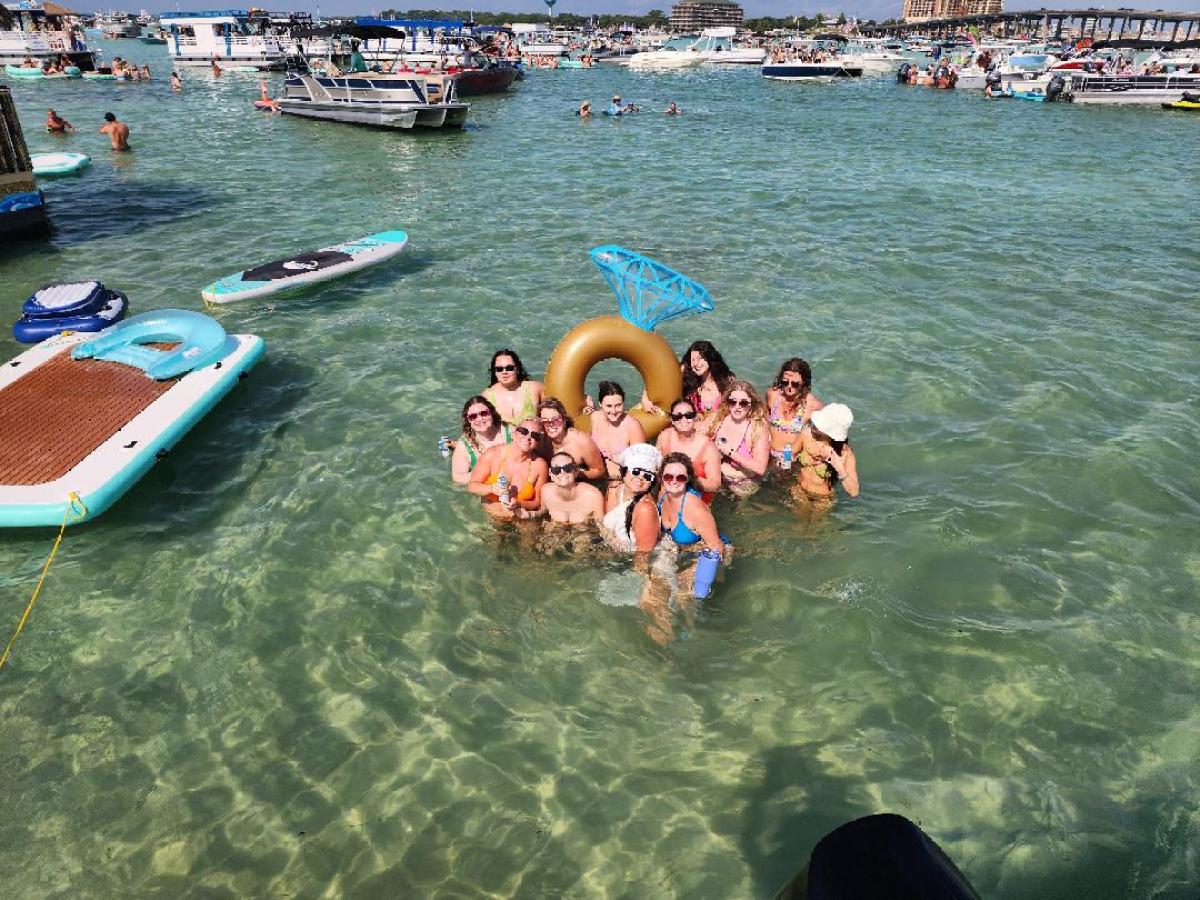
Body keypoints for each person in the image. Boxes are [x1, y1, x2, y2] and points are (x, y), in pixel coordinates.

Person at [657, 452, 726, 600]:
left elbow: (716, 546)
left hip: (705, 552)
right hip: (681, 549)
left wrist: (703, 577)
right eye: (668, 476)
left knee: (683, 595)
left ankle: (690, 623)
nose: (673, 481)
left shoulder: (696, 509)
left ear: (688, 479)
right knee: (655, 591)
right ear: (661, 477)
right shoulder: (663, 495)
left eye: (680, 477)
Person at [468, 415, 549, 520]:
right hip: (492, 519)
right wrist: (492, 488)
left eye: (535, 435)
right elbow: (472, 486)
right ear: (514, 434)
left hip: (520, 519)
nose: (528, 437)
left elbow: (538, 502)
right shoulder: (493, 454)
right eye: (524, 431)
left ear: (538, 442)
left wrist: (518, 503)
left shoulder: (539, 465)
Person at [712, 381, 771, 498]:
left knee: (738, 513)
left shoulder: (757, 428)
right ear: (727, 403)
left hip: (743, 485)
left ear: (751, 404)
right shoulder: (719, 419)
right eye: (733, 402)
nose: (737, 407)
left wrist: (730, 452)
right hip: (719, 479)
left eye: (743, 403)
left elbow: (760, 468)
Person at [791, 403, 859, 502]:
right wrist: (786, 465)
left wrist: (839, 468)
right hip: (799, 489)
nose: (814, 423)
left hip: (824, 499)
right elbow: (789, 451)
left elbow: (854, 492)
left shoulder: (845, 453)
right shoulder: (806, 434)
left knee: (818, 518)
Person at [655, 397, 721, 500]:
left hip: (694, 502)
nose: (684, 420)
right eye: (678, 416)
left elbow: (715, 485)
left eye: (688, 415)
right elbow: (656, 466)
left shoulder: (708, 448)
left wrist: (687, 478)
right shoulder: (664, 436)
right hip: (666, 498)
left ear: (695, 417)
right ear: (672, 420)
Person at [587, 381, 647, 494]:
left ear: (623, 403)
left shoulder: (632, 426)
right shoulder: (595, 417)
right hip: (596, 480)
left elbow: (641, 466)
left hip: (620, 483)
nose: (614, 411)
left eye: (618, 405)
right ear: (600, 404)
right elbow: (587, 446)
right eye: (609, 406)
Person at [601, 443, 661, 554]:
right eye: (636, 471)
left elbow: (643, 554)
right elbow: (607, 526)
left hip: (644, 559)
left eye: (647, 476)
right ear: (624, 473)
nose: (640, 478)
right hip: (616, 551)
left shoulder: (645, 509)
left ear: (651, 483)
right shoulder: (614, 488)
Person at [765, 357, 824, 467]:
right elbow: (763, 421)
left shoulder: (813, 405)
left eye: (795, 384)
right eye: (785, 382)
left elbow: (826, 435)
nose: (789, 387)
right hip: (768, 454)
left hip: (793, 459)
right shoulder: (773, 395)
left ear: (804, 383)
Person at [537, 398, 605, 482]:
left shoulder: (581, 441)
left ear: (564, 420)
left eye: (556, 419)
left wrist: (575, 473)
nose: (551, 424)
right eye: (545, 421)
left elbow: (599, 471)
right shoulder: (539, 442)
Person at [450, 395, 511, 485]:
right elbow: (458, 478)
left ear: (492, 413)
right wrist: (487, 471)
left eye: (484, 413)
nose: (480, 419)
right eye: (473, 416)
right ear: (468, 420)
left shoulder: (510, 432)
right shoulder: (464, 445)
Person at [680, 340, 736, 436]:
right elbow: (664, 378)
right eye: (692, 360)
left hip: (721, 433)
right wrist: (646, 397)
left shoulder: (727, 380)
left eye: (700, 358)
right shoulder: (691, 383)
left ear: (709, 358)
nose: (696, 363)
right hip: (697, 433)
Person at [538, 451, 605, 525]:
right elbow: (543, 514)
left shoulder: (594, 496)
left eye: (568, 468)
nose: (562, 472)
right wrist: (530, 515)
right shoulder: (546, 491)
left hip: (583, 534)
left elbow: (602, 527)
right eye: (556, 470)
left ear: (576, 471)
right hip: (554, 533)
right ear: (550, 474)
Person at [483, 349, 545, 427]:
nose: (504, 372)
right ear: (495, 372)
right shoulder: (487, 396)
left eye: (509, 368)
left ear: (517, 369)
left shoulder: (535, 388)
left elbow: (556, 412)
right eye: (499, 369)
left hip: (533, 438)